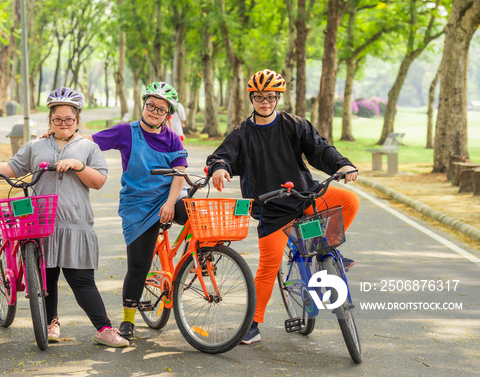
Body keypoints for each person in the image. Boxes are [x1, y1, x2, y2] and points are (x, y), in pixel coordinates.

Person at [206, 69, 359, 345]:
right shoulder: (241, 134)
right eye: (260, 97)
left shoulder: (294, 124)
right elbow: (221, 157)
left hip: (304, 198)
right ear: (251, 98)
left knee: (349, 201)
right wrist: (218, 169)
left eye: (271, 97)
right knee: (268, 267)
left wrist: (342, 164)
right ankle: (252, 324)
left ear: (278, 97)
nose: (265, 102)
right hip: (272, 211)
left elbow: (319, 149)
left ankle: (324, 246)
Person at [0, 87, 128, 348]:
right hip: (40, 222)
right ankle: (51, 323)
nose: (63, 124)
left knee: (82, 281)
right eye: (57, 119)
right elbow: (12, 167)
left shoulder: (88, 147)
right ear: (50, 120)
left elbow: (99, 181)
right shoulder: (36, 145)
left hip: (75, 222)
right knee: (46, 279)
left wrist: (78, 166)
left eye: (69, 120)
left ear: (77, 120)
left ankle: (104, 329)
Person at [91, 81, 188, 340]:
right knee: (138, 266)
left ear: (168, 115)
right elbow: (90, 143)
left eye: (161, 110)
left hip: (168, 196)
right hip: (138, 205)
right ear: (143, 105)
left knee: (193, 213)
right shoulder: (126, 132)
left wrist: (169, 203)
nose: (154, 112)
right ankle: (128, 320)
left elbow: (180, 173)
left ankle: (194, 259)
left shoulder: (172, 138)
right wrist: (58, 138)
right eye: (151, 106)